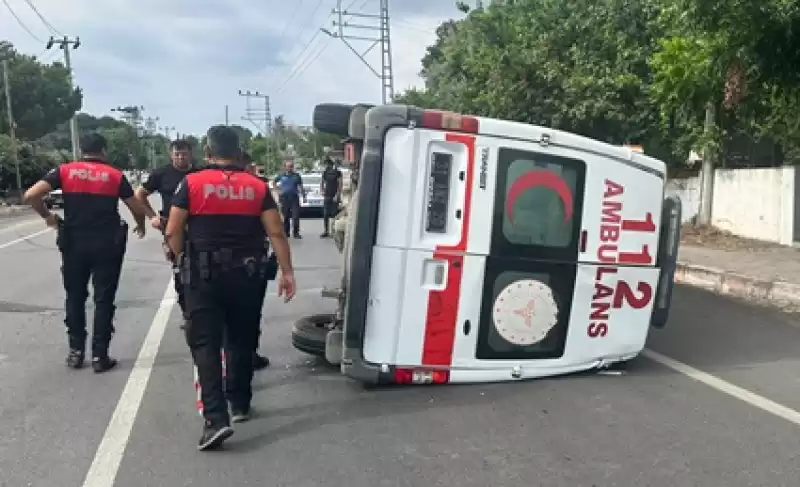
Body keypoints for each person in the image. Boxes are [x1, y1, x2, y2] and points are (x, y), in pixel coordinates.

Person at [165, 126, 296, 451]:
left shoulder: (191, 183)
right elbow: (277, 233)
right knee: (241, 338)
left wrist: (182, 260)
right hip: (248, 276)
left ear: (207, 154)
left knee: (206, 345)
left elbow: (173, 229)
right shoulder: (257, 187)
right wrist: (287, 272)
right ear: (239, 154)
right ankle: (239, 404)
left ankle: (215, 419)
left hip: (203, 277)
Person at [22, 133, 146, 372]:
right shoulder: (115, 175)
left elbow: (31, 195)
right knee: (104, 299)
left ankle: (75, 352)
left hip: (74, 244)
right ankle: (100, 356)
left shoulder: (65, 171)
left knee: (75, 297)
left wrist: (48, 217)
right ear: (104, 151)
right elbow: (135, 206)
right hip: (107, 245)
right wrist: (140, 224)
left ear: (81, 150)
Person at [134, 139, 195, 327]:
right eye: (177, 154)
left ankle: (200, 311)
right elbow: (140, 194)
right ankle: (187, 312)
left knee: (202, 268)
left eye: (183, 154)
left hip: (197, 226)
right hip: (172, 227)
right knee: (180, 269)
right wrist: (151, 216)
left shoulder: (199, 173)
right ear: (171, 155)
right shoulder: (162, 174)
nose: (180, 157)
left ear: (190, 154)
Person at [273, 160, 305, 239]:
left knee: (296, 216)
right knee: (286, 216)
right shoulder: (281, 175)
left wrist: (304, 196)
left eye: (291, 166)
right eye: (288, 166)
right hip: (284, 198)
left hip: (294, 197)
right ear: (285, 167)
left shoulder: (297, 176)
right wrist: (277, 191)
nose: (290, 168)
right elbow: (274, 182)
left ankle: (296, 233)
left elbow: (301, 186)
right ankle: (286, 232)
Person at [319, 156, 343, 238]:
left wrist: (337, 194)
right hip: (327, 195)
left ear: (330, 164)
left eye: (326, 164)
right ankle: (326, 231)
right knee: (325, 214)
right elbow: (322, 182)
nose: (326, 166)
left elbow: (340, 184)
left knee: (334, 214)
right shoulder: (325, 173)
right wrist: (322, 190)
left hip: (334, 195)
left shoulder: (338, 172)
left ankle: (333, 231)